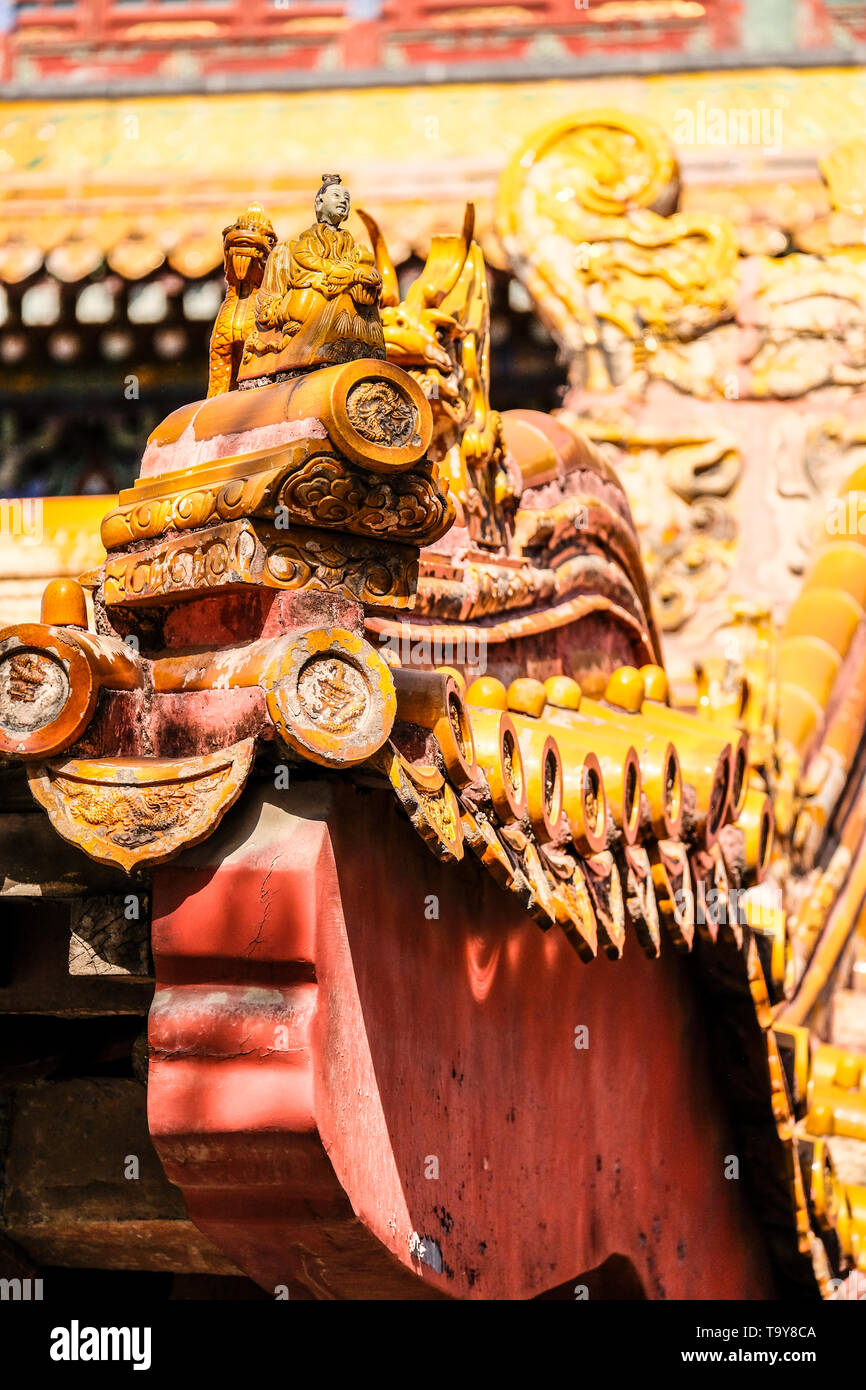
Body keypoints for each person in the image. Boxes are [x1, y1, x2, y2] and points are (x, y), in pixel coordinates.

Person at [238, 175, 385, 383]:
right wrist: (340, 272)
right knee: (315, 295)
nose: (343, 201)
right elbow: (306, 260)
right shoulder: (308, 240)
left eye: (347, 198)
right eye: (336, 196)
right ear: (319, 203)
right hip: (316, 286)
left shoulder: (352, 244)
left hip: (343, 291)